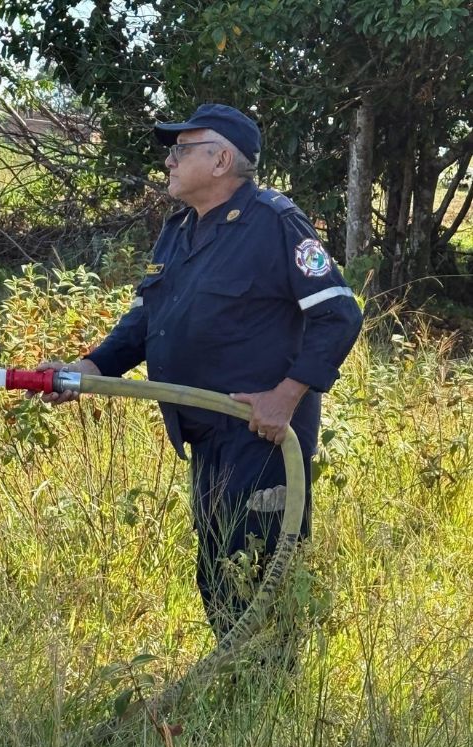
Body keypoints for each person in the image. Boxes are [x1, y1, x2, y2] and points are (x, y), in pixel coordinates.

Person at [38, 104, 363, 642]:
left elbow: (339, 313)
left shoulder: (275, 223)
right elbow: (147, 321)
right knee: (217, 571)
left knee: (259, 576)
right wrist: (89, 369)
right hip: (206, 436)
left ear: (220, 160)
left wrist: (284, 397)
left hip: (261, 439)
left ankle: (270, 701)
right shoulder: (178, 230)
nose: (168, 160)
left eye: (180, 150)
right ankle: (238, 696)